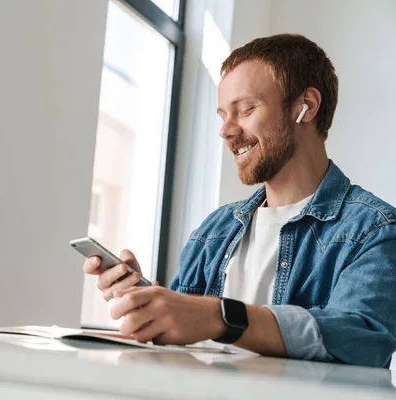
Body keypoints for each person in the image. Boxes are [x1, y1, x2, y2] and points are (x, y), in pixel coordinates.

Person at [83, 34, 396, 369]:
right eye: (222, 115)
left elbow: (363, 339)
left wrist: (222, 317)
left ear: (307, 106)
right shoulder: (215, 230)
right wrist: (147, 304)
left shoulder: (374, 229)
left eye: (245, 109)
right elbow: (179, 341)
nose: (226, 131)